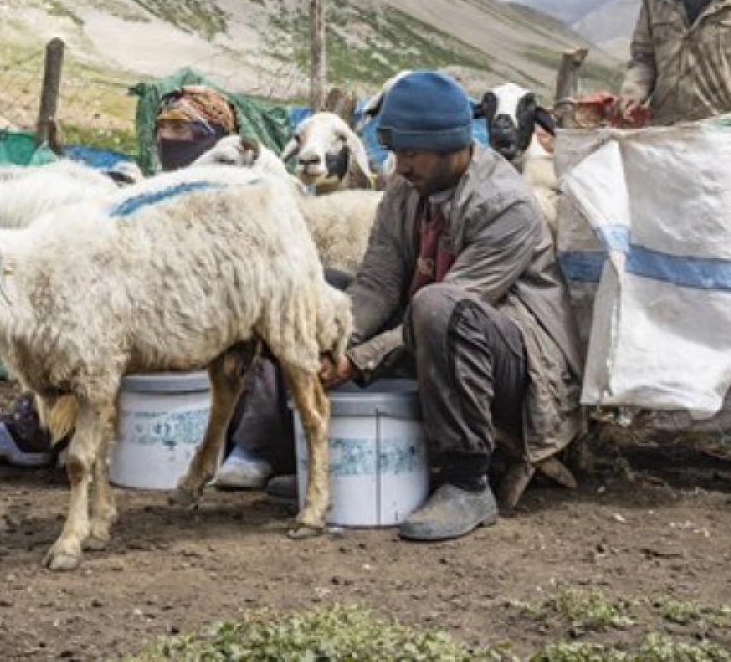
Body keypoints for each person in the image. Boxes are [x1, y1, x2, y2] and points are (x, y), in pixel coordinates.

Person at [213, 70, 584, 542]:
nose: (401, 164)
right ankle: (317, 457)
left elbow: (459, 301)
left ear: (452, 147)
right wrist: (334, 338)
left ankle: (467, 481)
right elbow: (378, 282)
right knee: (316, 294)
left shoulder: (505, 205)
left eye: (412, 153)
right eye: (397, 151)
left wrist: (357, 360)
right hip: (434, 328)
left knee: (438, 305)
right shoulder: (407, 189)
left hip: (521, 361)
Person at [0, 84, 240, 465]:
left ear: (212, 137)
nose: (167, 138)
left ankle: (39, 433)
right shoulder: (158, 189)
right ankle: (46, 428)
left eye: (180, 129)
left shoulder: (231, 193)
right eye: (163, 128)